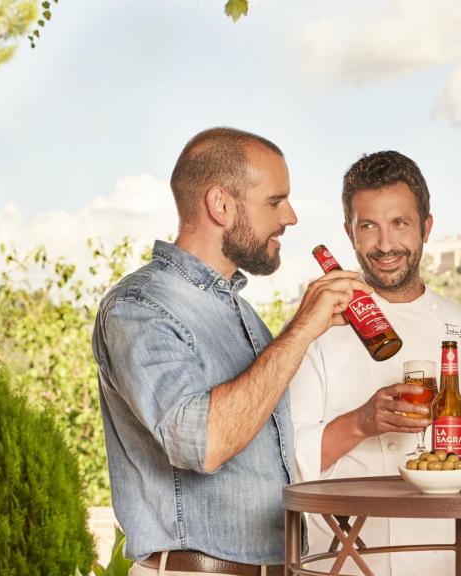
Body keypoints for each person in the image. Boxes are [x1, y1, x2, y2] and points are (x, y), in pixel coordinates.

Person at [93, 127, 372, 576]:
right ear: (220, 205)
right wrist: (301, 330)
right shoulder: (139, 307)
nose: (291, 217)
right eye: (275, 201)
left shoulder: (240, 312)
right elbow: (204, 445)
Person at [289, 151, 461, 575]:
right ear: (349, 233)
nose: (385, 244)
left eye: (400, 223)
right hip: (346, 560)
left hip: (450, 559)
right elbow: (286, 457)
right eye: (368, 226)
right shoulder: (315, 327)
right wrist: (361, 423)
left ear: (426, 227)